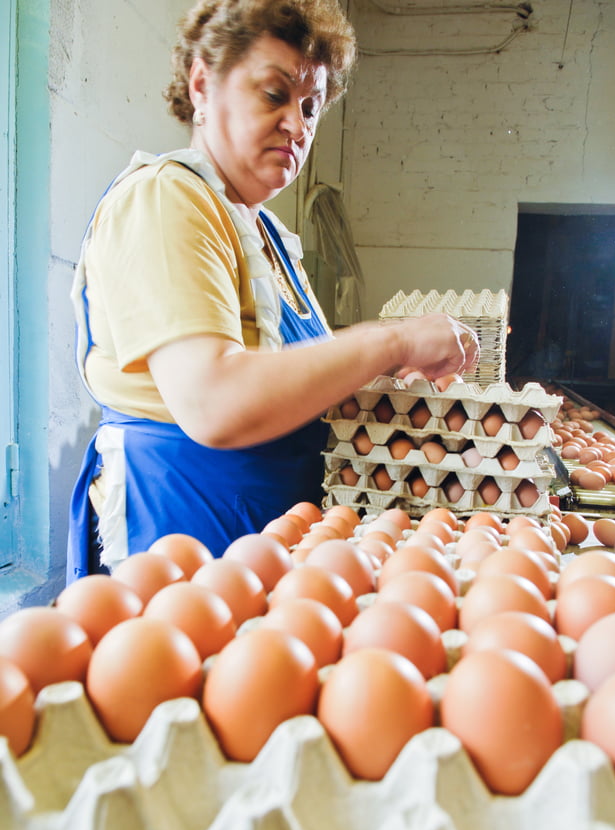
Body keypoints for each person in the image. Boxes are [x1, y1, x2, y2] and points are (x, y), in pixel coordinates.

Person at [66, 0, 479, 582]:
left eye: (311, 105)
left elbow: (291, 381)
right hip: (185, 533)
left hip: (268, 538)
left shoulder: (267, 235)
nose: (298, 123)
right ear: (203, 84)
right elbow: (214, 403)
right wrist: (389, 341)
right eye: (274, 94)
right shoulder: (168, 199)